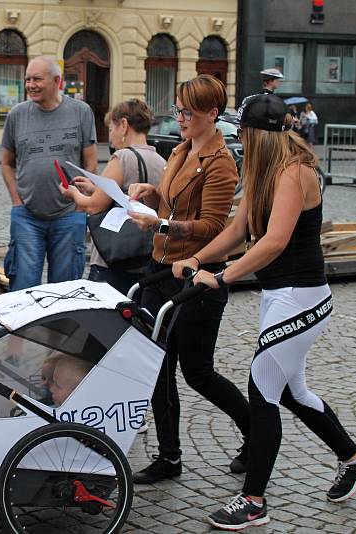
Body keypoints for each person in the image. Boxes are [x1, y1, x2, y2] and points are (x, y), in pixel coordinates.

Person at [171, 93, 356, 530]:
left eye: (243, 132)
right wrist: (199, 260)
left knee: (262, 391)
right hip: (279, 297)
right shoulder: (262, 169)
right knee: (291, 392)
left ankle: (254, 500)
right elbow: (238, 230)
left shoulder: (295, 172)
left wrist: (223, 277)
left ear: (259, 133)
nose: (240, 140)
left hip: (302, 298)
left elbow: (273, 241)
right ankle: (354, 458)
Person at [125, 74, 251, 484]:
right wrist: (151, 193)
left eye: (187, 112)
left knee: (198, 373)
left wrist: (160, 222)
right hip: (161, 270)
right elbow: (171, 201)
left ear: (212, 114)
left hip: (198, 277)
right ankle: (169, 457)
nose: (179, 118)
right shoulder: (181, 149)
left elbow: (215, 226)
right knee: (156, 369)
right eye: (177, 109)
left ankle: (256, 430)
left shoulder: (221, 163)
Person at [1, 55, 98, 292]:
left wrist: (79, 204)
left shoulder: (81, 112)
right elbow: (6, 163)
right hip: (27, 216)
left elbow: (91, 164)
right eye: (27, 79)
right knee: (23, 290)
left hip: (68, 215)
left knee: (65, 291)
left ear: (57, 81)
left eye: (37, 79)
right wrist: (16, 201)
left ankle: (59, 331)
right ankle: (22, 332)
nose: (30, 84)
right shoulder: (17, 114)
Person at [61, 99, 166, 295]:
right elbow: (129, 198)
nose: (110, 137)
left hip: (113, 259)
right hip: (144, 257)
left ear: (124, 125)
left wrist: (73, 193)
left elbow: (93, 207)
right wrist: (95, 189)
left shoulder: (122, 157)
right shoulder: (161, 161)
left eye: (111, 129)